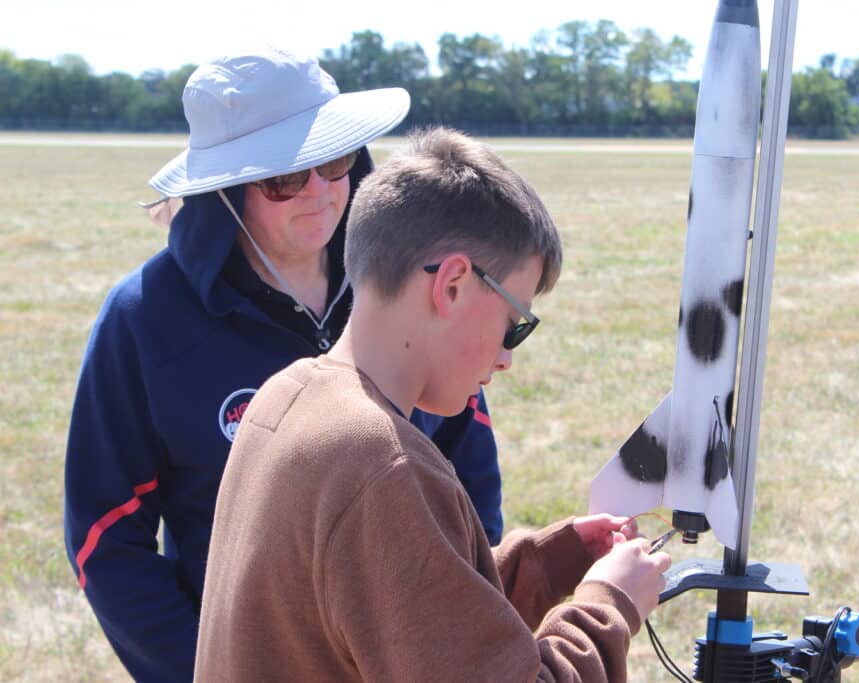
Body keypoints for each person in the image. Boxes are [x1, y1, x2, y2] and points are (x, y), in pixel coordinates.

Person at [62, 49, 504, 683]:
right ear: (227, 190)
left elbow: (468, 459)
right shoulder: (143, 319)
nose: (321, 193)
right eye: (283, 179)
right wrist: (207, 668)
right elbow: (105, 536)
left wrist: (460, 613)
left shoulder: (407, 283)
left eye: (333, 160)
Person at [195, 126, 672, 682]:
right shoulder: (379, 466)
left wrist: (545, 562)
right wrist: (609, 606)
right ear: (452, 285)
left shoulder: (290, 395)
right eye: (513, 325)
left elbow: (401, 608)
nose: (506, 358)